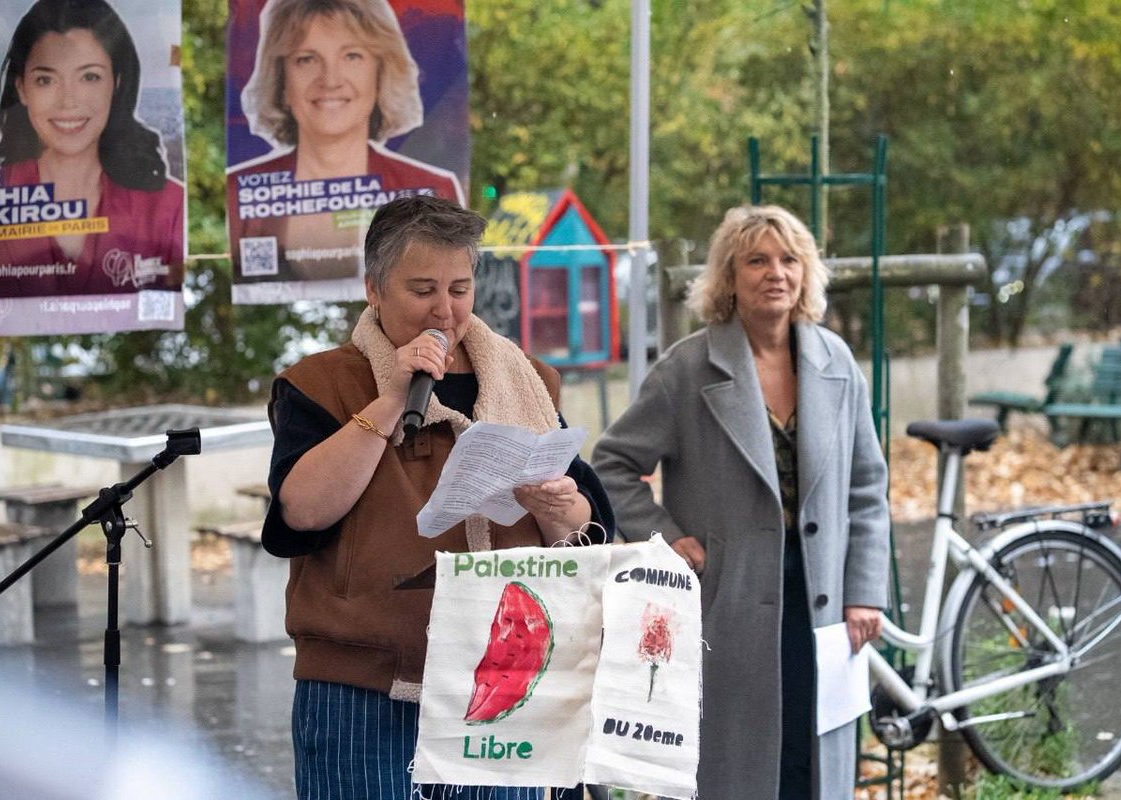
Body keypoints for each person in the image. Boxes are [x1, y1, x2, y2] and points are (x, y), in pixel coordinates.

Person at [262, 195, 613, 799]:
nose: (444, 311)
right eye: (422, 289)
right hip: (364, 689)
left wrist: (563, 508)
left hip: (509, 681)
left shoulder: (527, 380)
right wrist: (390, 400)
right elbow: (301, 513)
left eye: (459, 289)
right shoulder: (320, 383)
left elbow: (588, 526)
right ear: (373, 290)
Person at [592, 205, 890, 800]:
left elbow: (866, 488)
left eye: (789, 260)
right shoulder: (687, 369)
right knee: (738, 765)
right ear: (729, 276)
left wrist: (864, 591)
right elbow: (612, 464)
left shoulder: (836, 362)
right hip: (727, 597)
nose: (775, 273)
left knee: (813, 756)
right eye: (756, 260)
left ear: (806, 273)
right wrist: (665, 540)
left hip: (825, 595)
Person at [229, 0, 463, 282]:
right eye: (306, 59)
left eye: (352, 56)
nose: (330, 80)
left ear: (381, 71)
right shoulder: (238, 193)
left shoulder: (434, 192)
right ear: (281, 78)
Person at [0, 0, 184, 297]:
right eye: (46, 80)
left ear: (116, 83)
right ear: (22, 89)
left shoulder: (167, 206)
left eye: (89, 77)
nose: (68, 101)